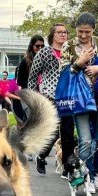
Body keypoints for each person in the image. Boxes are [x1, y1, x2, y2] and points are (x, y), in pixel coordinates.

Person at [60, 12, 98, 195]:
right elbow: (63, 71)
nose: (83, 35)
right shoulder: (69, 46)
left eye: (87, 32)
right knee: (85, 140)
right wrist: (79, 62)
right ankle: (87, 175)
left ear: (93, 30)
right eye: (79, 31)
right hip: (79, 100)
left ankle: (97, 172)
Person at [27, 23, 75, 177]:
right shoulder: (44, 53)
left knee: (67, 133)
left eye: (65, 32)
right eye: (59, 32)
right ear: (52, 35)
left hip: (67, 96)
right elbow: (33, 76)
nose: (63, 35)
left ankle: (67, 168)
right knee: (53, 131)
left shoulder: (71, 52)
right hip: (49, 96)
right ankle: (41, 155)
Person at [13, 35, 43, 123]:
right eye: (37, 46)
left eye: (42, 46)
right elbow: (19, 81)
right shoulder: (25, 61)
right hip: (28, 95)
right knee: (30, 120)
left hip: (42, 95)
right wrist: (33, 85)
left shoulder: (45, 59)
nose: (40, 48)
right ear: (32, 46)